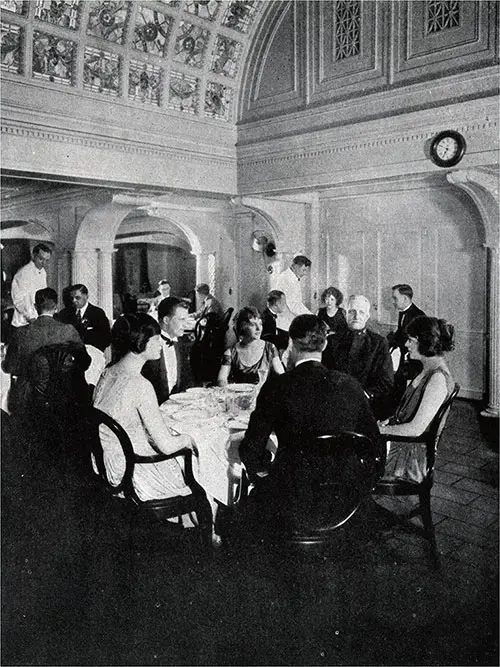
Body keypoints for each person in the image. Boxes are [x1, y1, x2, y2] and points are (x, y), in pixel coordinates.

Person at [238, 315, 380, 532]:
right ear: (324, 344)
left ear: (291, 345)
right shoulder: (350, 385)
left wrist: (266, 472)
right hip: (346, 499)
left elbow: (251, 449)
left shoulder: (277, 387)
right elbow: (374, 444)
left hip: (293, 497)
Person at [93, 313, 198, 505]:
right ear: (140, 342)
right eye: (156, 339)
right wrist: (189, 439)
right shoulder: (140, 384)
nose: (160, 344)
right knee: (200, 466)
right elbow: (166, 446)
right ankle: (207, 530)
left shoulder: (107, 372)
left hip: (107, 464)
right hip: (134, 471)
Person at [378, 316, 455, 483]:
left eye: (411, 340)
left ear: (426, 343)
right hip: (403, 446)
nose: (406, 345)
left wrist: (379, 430)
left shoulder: (438, 379)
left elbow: (415, 429)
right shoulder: (427, 370)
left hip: (411, 459)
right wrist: (388, 422)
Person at [3, 287, 89, 414]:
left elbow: (10, 367)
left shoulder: (21, 333)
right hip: (65, 397)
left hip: (29, 401)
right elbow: (85, 362)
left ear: (36, 307)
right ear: (56, 306)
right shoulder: (69, 330)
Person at [322, 295, 394, 419]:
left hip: (366, 406)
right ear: (345, 314)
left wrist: (364, 394)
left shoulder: (379, 343)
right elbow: (324, 373)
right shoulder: (331, 341)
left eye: (361, 312)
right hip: (335, 404)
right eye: (352, 312)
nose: (356, 316)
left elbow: (386, 380)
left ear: (367, 316)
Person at [139, 296, 193, 404]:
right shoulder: (147, 346)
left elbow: (186, 381)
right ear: (166, 320)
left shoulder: (182, 343)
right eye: (182, 319)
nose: (186, 324)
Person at [217, 306, 284, 387]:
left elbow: (282, 376)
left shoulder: (270, 348)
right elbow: (221, 379)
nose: (259, 329)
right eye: (253, 324)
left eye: (260, 324)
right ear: (242, 326)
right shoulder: (230, 353)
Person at [387, 284, 427, 406]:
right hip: (404, 355)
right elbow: (401, 332)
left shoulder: (417, 315)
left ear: (405, 299)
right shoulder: (403, 312)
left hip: (413, 359)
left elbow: (418, 342)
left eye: (395, 298)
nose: (393, 302)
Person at [57, 284, 111, 353]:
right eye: (72, 298)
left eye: (77, 298)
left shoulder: (97, 313)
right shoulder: (64, 314)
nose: (74, 301)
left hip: (93, 355)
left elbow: (107, 339)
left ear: (86, 296)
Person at [11, 243, 52, 329]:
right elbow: (18, 300)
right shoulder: (23, 273)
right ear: (34, 256)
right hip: (23, 323)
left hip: (37, 321)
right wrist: (31, 318)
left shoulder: (43, 272)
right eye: (41, 259)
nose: (44, 263)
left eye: (47, 260)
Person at [274, 255, 312, 331]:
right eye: (303, 270)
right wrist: (311, 317)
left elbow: (297, 303)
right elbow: (293, 305)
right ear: (295, 267)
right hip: (284, 322)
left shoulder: (293, 278)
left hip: (289, 319)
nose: (305, 274)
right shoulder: (286, 279)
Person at [261, 290, 289, 354]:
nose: (285, 305)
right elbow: (270, 338)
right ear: (276, 305)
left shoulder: (269, 314)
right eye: (284, 303)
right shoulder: (267, 318)